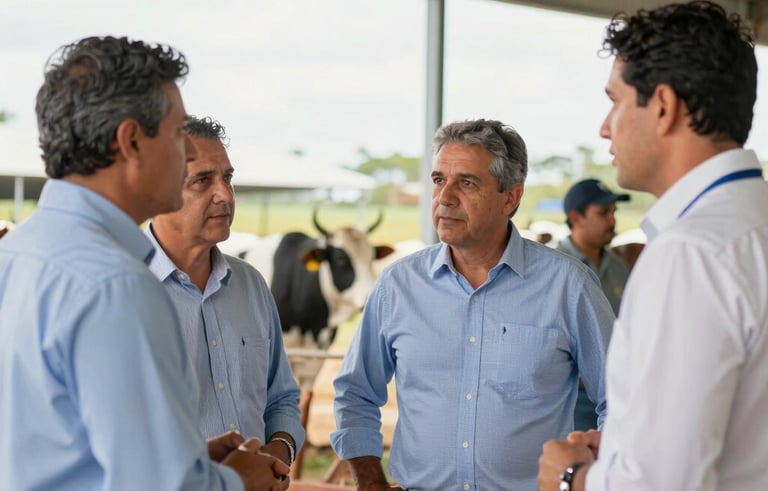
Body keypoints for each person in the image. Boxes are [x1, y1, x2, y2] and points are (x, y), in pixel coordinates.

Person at [0, 36, 288, 490]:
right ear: (132, 141)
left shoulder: (15, 256)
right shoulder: (116, 285)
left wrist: (191, 459)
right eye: (177, 134)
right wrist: (236, 480)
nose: (190, 153)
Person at [538, 2, 768, 490]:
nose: (605, 126)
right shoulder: (748, 227)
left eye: (616, 101)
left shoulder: (691, 254)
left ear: (663, 106)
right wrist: (626, 445)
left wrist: (571, 477)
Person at [332, 118, 615, 490]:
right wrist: (371, 482)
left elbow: (622, 400)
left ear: (510, 197)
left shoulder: (568, 286)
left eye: (466, 182)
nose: (445, 198)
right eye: (438, 180)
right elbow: (356, 393)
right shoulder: (398, 285)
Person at [147, 115, 304, 472]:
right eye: (202, 180)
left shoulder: (250, 284)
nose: (226, 195)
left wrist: (280, 450)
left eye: (228, 177)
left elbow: (281, 397)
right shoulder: (118, 290)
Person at [558, 179, 630, 431]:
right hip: (570, 402)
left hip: (620, 394)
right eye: (603, 213)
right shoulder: (551, 270)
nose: (612, 221)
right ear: (576, 218)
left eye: (613, 212)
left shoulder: (620, 267)